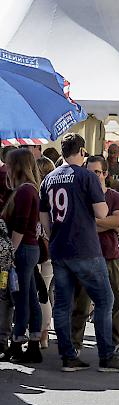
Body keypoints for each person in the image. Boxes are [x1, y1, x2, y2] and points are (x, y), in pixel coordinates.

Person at [39, 133, 119, 372]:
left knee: (62, 304)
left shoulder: (48, 179)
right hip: (85, 248)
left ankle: (68, 356)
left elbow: (44, 219)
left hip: (59, 248)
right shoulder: (86, 176)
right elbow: (102, 213)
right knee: (104, 300)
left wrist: (55, 236)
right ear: (82, 152)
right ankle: (106, 356)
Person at [71, 156, 119, 357]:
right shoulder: (79, 195)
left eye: (96, 172)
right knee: (81, 304)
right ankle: (75, 343)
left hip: (111, 256)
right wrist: (104, 222)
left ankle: (117, 341)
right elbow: (77, 223)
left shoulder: (114, 196)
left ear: (105, 174)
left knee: (113, 303)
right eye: (88, 172)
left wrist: (92, 223)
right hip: (85, 257)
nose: (92, 176)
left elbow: (117, 220)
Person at [1, 149, 43, 363]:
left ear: (16, 166)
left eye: (8, 164)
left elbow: (20, 224)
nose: (6, 168)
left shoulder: (25, 191)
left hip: (22, 250)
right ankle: (33, 343)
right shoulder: (28, 189)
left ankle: (18, 342)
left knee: (21, 298)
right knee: (29, 297)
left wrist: (11, 254)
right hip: (28, 248)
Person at [35, 156, 55, 349]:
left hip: (34, 246)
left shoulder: (35, 192)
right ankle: (44, 335)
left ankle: (34, 332)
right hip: (50, 247)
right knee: (46, 292)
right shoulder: (55, 193)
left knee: (34, 292)